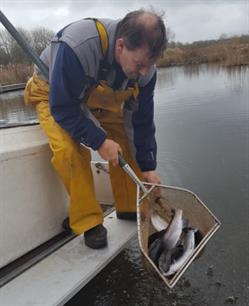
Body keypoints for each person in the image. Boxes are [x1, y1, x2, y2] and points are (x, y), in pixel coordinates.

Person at [24, 9, 167, 249]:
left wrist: (148, 165)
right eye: (140, 64)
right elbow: (64, 108)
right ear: (120, 46)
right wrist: (99, 141)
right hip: (54, 93)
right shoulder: (77, 46)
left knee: (123, 141)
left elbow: (140, 123)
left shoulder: (145, 72)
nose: (144, 72)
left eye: (150, 65)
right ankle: (89, 222)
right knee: (69, 151)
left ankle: (128, 207)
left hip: (92, 95)